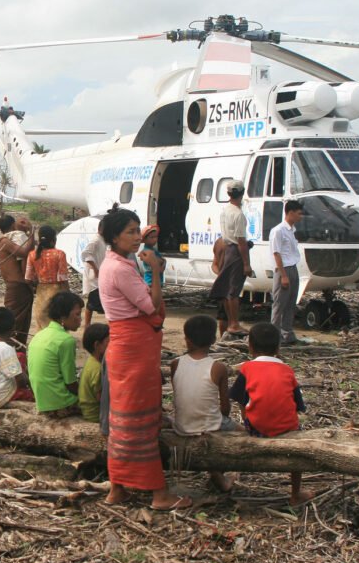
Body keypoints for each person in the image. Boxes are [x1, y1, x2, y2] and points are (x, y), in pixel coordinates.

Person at [99, 207, 191, 510]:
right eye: (131, 232)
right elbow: (151, 305)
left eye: (138, 231)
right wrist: (158, 272)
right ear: (114, 236)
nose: (138, 237)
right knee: (138, 424)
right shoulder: (122, 268)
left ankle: (118, 487)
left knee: (123, 419)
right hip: (133, 352)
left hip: (128, 350)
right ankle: (158, 493)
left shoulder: (114, 263)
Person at [229, 323, 314, 505]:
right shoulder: (287, 370)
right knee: (297, 457)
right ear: (278, 347)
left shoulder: (247, 368)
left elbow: (239, 399)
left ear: (250, 346)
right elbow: (299, 406)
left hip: (256, 428)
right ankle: (295, 493)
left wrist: (246, 419)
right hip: (287, 430)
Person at [169, 315, 239, 492]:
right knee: (242, 432)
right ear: (214, 340)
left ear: (187, 340)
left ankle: (217, 477)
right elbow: (225, 407)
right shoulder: (218, 367)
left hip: (181, 424)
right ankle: (220, 477)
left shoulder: (175, 364)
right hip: (208, 426)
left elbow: (180, 395)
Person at [27, 292, 84, 418]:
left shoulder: (39, 335)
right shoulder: (65, 341)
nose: (80, 319)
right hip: (60, 404)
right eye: (77, 314)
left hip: (42, 402)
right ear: (63, 317)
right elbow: (70, 383)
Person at [209, 180, 253, 339]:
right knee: (234, 290)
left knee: (228, 289)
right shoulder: (238, 214)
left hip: (228, 249)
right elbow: (241, 241)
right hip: (235, 251)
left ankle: (231, 322)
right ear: (242, 193)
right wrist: (247, 264)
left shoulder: (225, 210)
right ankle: (234, 323)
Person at [0, 307, 36, 408]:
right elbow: (20, 380)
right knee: (32, 395)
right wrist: (31, 381)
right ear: (13, 328)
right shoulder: (5, 349)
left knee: (20, 356)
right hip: (2, 396)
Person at [0, 215, 37, 346]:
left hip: (19, 287)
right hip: (17, 287)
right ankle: (11, 349)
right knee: (14, 323)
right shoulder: (5, 242)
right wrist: (32, 233)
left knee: (22, 324)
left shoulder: (8, 240)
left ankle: (19, 353)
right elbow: (24, 252)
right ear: (13, 225)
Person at [269, 200, 305, 345]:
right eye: (298, 213)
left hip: (293, 267)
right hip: (283, 269)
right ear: (290, 213)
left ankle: (287, 333)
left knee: (290, 303)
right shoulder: (278, 230)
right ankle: (274, 335)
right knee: (279, 304)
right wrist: (283, 275)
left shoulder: (292, 230)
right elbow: (276, 253)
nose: (300, 217)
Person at [25, 226, 70, 332]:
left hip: (41, 292)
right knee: (57, 322)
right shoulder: (59, 254)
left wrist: (35, 286)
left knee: (42, 324)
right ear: (54, 240)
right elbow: (63, 278)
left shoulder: (32, 255)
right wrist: (68, 294)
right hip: (57, 291)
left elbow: (28, 279)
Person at [78, 323, 110, 423]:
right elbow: (101, 398)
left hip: (88, 410)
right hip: (94, 414)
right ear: (97, 345)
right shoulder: (97, 369)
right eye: (108, 342)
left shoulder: (91, 360)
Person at [80, 229, 107, 330]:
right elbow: (85, 254)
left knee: (96, 300)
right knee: (92, 301)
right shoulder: (95, 241)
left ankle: (87, 324)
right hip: (95, 275)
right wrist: (95, 269)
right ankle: (87, 325)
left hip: (100, 272)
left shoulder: (103, 240)